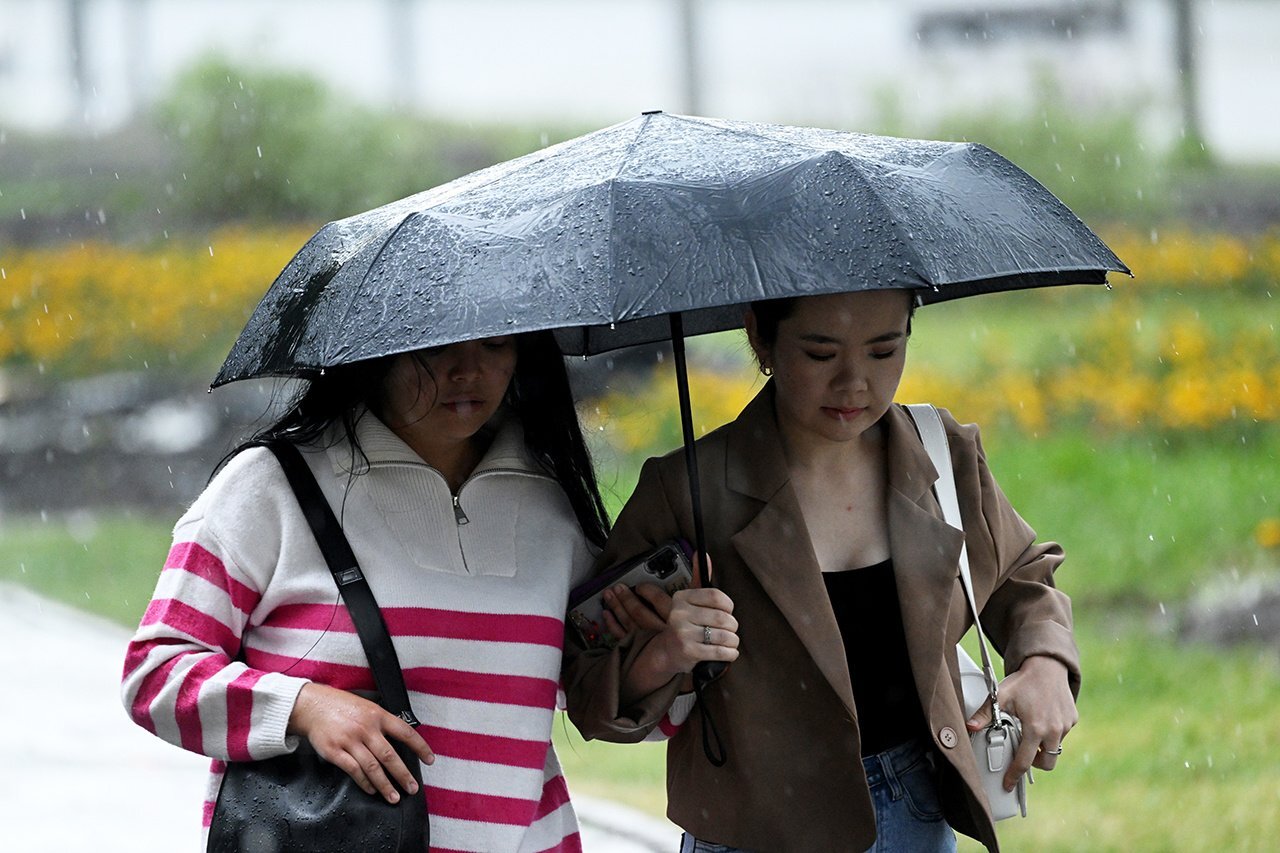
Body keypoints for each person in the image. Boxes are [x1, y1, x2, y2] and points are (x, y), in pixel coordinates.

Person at [562, 289, 1080, 853]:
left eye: (884, 352)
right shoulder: (688, 491)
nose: (854, 383)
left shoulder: (942, 453)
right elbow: (588, 683)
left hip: (919, 811)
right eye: (820, 354)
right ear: (760, 335)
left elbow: (1021, 574)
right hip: (754, 827)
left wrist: (1045, 662)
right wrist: (664, 654)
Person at [122, 331, 610, 852]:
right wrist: (303, 708)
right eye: (436, 345)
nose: (468, 369)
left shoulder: (551, 507)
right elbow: (156, 674)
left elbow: (611, 700)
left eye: (494, 345)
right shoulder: (272, 485)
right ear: (376, 350)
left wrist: (665, 652)